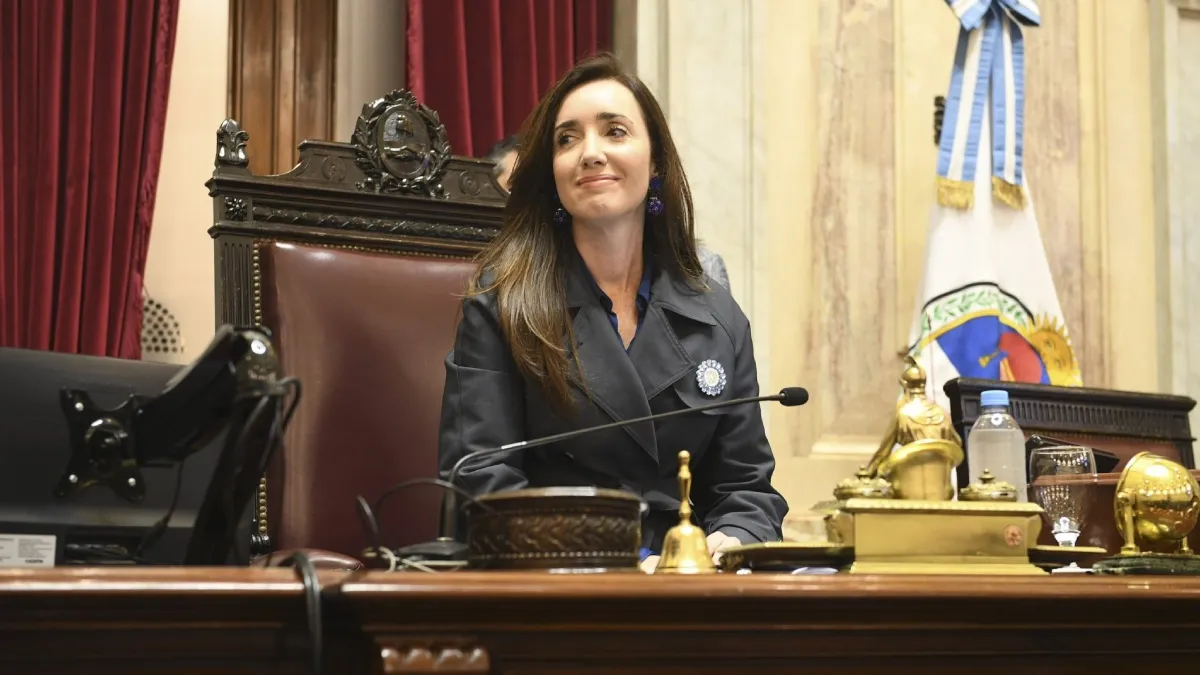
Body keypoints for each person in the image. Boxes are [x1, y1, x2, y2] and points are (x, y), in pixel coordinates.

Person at [438, 53, 788, 572]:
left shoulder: (718, 316)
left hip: (688, 591)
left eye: (615, 131)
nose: (590, 153)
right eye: (567, 138)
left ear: (656, 164)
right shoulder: (501, 304)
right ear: (552, 173)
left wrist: (730, 540)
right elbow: (481, 481)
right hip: (552, 589)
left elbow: (747, 488)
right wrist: (616, 561)